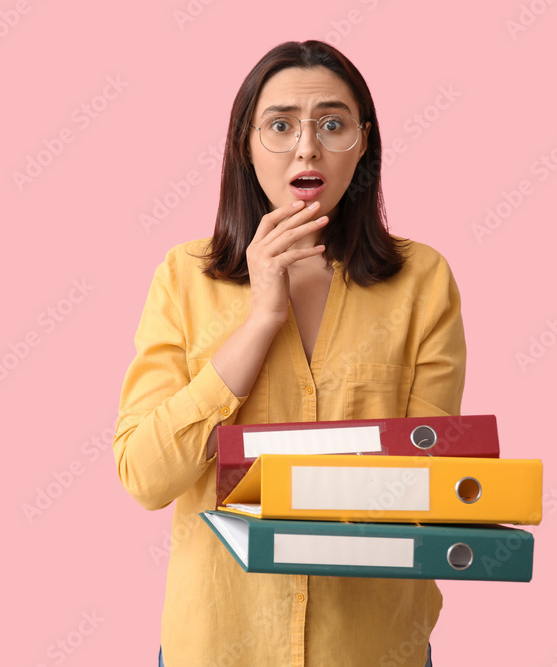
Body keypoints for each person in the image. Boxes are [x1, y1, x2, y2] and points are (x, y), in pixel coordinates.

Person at [114, 40, 463, 667]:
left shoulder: (423, 280)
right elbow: (145, 475)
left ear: (363, 143)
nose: (308, 147)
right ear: (246, 146)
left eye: (333, 124)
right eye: (280, 125)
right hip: (216, 647)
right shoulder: (184, 277)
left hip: (372, 649)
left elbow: (426, 485)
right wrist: (260, 323)